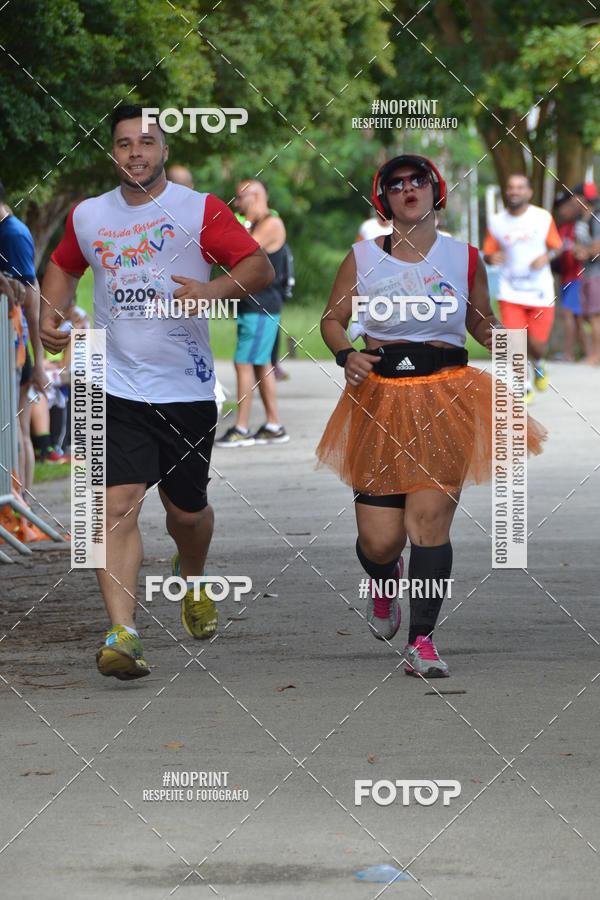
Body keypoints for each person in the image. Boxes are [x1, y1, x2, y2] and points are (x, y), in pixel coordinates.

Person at [40, 104, 273, 680]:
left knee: (186, 514)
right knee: (114, 506)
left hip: (185, 388)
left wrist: (213, 288)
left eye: (146, 142)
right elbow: (64, 267)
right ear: (112, 153)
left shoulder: (199, 210)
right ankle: (124, 634)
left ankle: (191, 576)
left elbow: (258, 267)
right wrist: (52, 311)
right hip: (111, 381)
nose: (135, 152)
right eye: (123, 144)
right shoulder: (89, 215)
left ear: (165, 150)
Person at [316, 154, 546, 677]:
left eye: (418, 180)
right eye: (395, 184)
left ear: (435, 190)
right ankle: (382, 578)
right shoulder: (362, 257)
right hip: (379, 397)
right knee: (380, 539)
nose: (408, 189)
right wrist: (344, 353)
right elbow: (333, 319)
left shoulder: (464, 258)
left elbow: (480, 321)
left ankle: (422, 641)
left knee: (430, 524)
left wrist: (502, 340)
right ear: (384, 199)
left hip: (446, 397)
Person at [216, 179, 289, 446]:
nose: (236, 205)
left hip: (262, 307)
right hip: (253, 307)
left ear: (255, 196)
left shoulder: (271, 224)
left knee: (243, 362)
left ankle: (241, 429)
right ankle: (274, 425)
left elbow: (240, 252)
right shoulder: (256, 224)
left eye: (240, 198)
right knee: (261, 366)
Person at [483, 174, 562, 403]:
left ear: (529, 192)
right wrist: (490, 258)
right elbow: (488, 252)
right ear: (506, 192)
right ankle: (523, 385)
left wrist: (546, 256)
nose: (515, 191)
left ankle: (538, 363)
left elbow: (557, 246)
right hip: (510, 290)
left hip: (539, 292)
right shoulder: (497, 221)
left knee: (537, 344)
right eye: (510, 187)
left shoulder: (542, 218)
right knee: (514, 339)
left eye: (520, 187)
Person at [0, 179, 46, 498]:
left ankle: (21, 507)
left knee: (16, 429)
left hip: (14, 351)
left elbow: (31, 301)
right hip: (11, 349)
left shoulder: (12, 234)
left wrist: (39, 361)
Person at [552, 185, 592, 362]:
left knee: (569, 314)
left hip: (577, 277)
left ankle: (568, 353)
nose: (563, 210)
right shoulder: (561, 228)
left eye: (567, 206)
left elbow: (583, 249)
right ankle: (588, 353)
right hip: (565, 277)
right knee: (576, 318)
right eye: (561, 207)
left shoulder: (578, 226)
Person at [573, 183, 600, 365]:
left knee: (593, 315)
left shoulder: (595, 217)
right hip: (587, 273)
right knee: (586, 314)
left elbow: (597, 246)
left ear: (582, 198)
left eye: (575, 196)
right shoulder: (582, 219)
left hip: (596, 273)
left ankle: (595, 355)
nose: (573, 200)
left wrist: (585, 252)